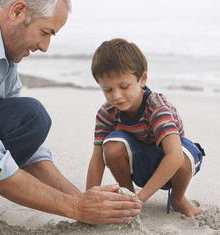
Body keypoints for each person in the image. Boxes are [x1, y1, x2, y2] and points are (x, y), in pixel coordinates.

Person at [0, 2, 141, 235]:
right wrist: (78, 209)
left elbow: (17, 139)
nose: (45, 47)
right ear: (17, 11)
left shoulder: (2, 53)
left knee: (31, 118)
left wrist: (80, 199)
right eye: (45, 32)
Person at [86, 38, 205, 218]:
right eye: (108, 90)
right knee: (111, 145)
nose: (116, 96)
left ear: (142, 79)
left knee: (182, 153)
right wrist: (89, 200)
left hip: (172, 168)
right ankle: (128, 196)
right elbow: (97, 159)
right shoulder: (106, 112)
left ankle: (178, 199)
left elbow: (174, 157)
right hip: (139, 165)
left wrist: (141, 199)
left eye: (124, 86)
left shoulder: (157, 106)